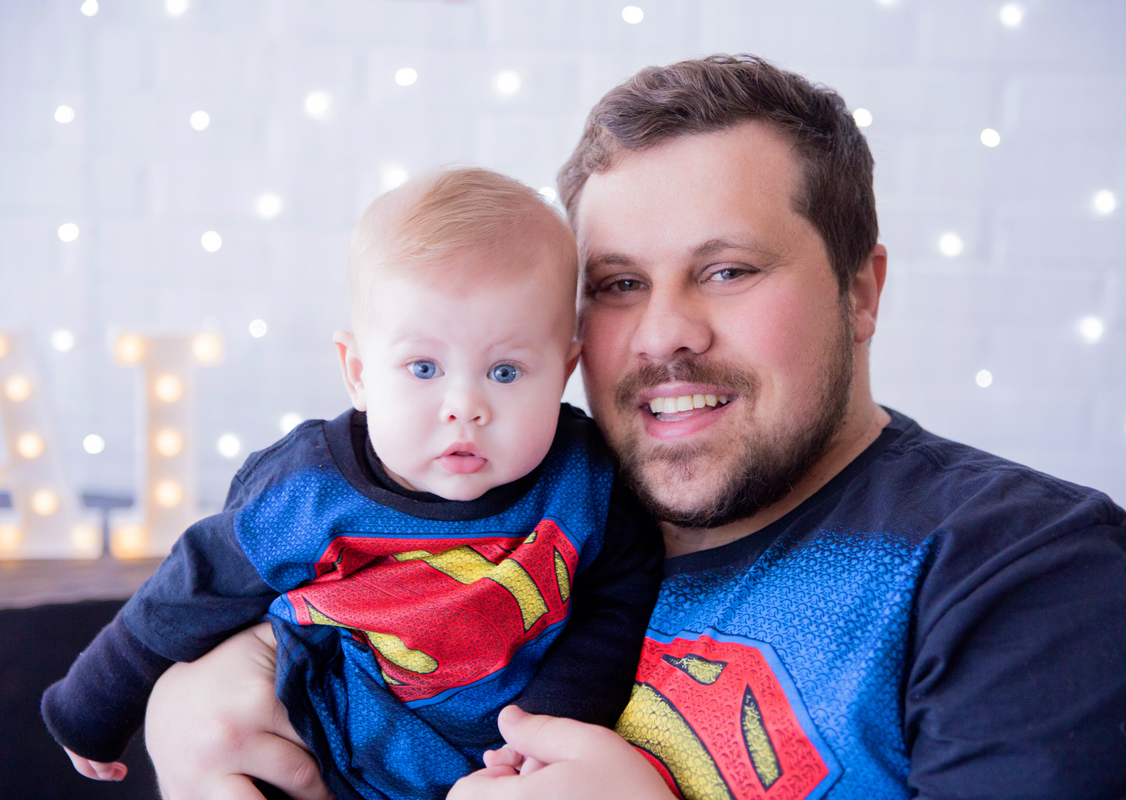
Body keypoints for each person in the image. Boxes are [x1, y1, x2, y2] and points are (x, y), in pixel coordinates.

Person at [145, 55, 1126, 800]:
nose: (665, 333)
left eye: (727, 269)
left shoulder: (1024, 571)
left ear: (861, 293)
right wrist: (197, 689)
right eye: (619, 285)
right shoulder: (533, 514)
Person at [41, 167, 663, 800]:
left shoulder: (584, 480)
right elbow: (193, 586)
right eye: (424, 367)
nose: (464, 405)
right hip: (317, 743)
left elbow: (617, 596)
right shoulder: (307, 486)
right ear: (359, 373)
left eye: (506, 371)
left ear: (562, 372)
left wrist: (550, 722)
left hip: (493, 767)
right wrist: (91, 705)